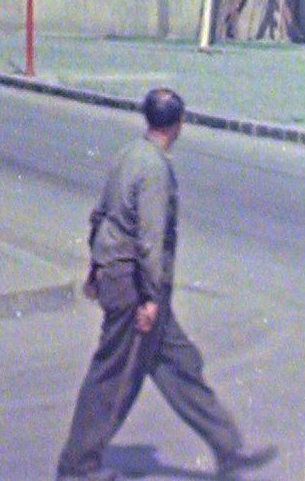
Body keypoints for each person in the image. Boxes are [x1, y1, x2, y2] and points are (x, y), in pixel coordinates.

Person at [56, 89, 275, 481]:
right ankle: (78, 467)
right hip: (137, 288)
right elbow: (150, 239)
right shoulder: (155, 170)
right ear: (178, 124)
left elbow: (101, 215)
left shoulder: (129, 154)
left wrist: (96, 267)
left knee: (180, 363)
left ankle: (228, 447)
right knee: (113, 376)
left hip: (124, 277)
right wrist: (151, 299)